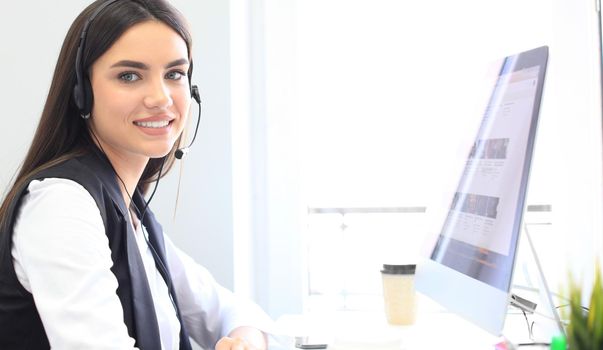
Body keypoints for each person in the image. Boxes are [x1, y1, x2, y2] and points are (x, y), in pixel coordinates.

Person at [0, 0, 273, 349]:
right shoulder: (63, 205)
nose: (160, 97)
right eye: (129, 76)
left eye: (174, 74)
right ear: (82, 93)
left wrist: (245, 342)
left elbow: (227, 311)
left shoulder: (132, 211)